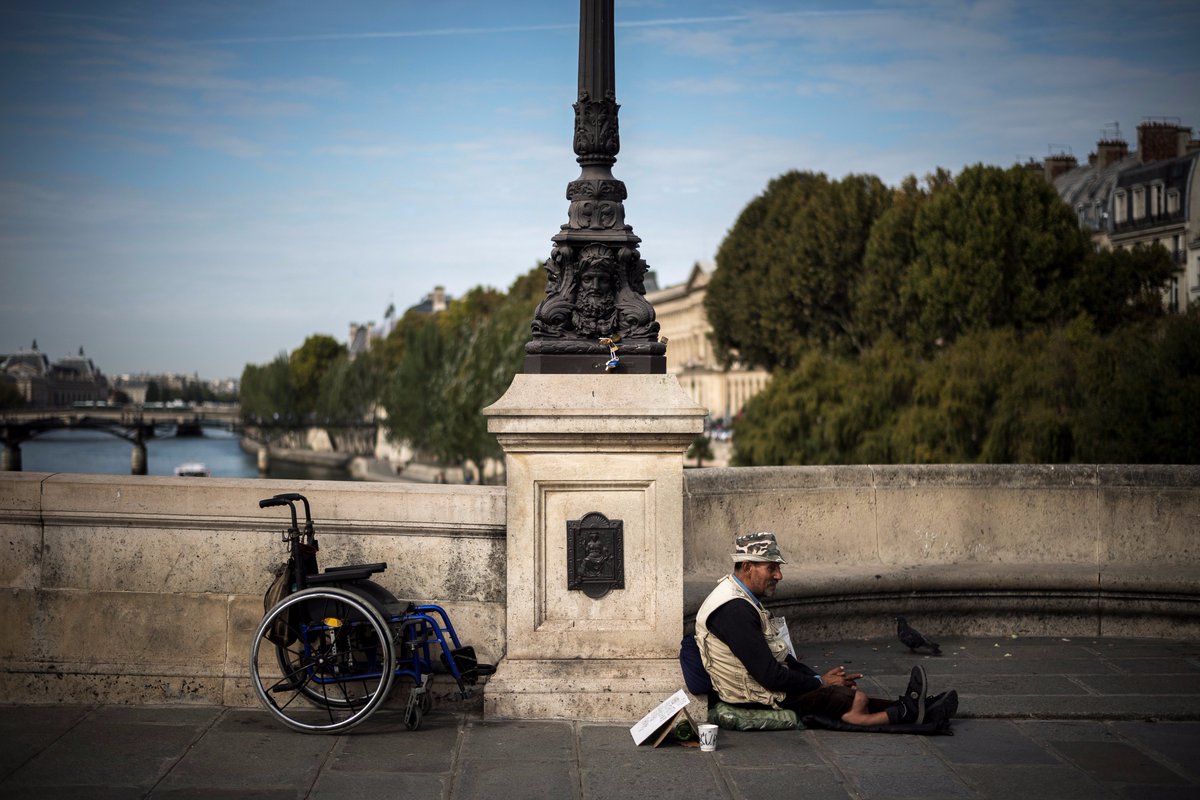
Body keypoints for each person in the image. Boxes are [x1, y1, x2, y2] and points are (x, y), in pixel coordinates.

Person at [694, 531, 958, 728]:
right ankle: (904, 713)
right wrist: (820, 682)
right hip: (757, 697)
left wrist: (818, 677)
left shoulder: (741, 598)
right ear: (748, 567)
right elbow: (769, 676)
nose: (779, 576)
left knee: (844, 691)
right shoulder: (735, 610)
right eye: (771, 568)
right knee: (849, 699)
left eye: (778, 568)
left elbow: (778, 662)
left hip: (763, 688)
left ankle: (913, 707)